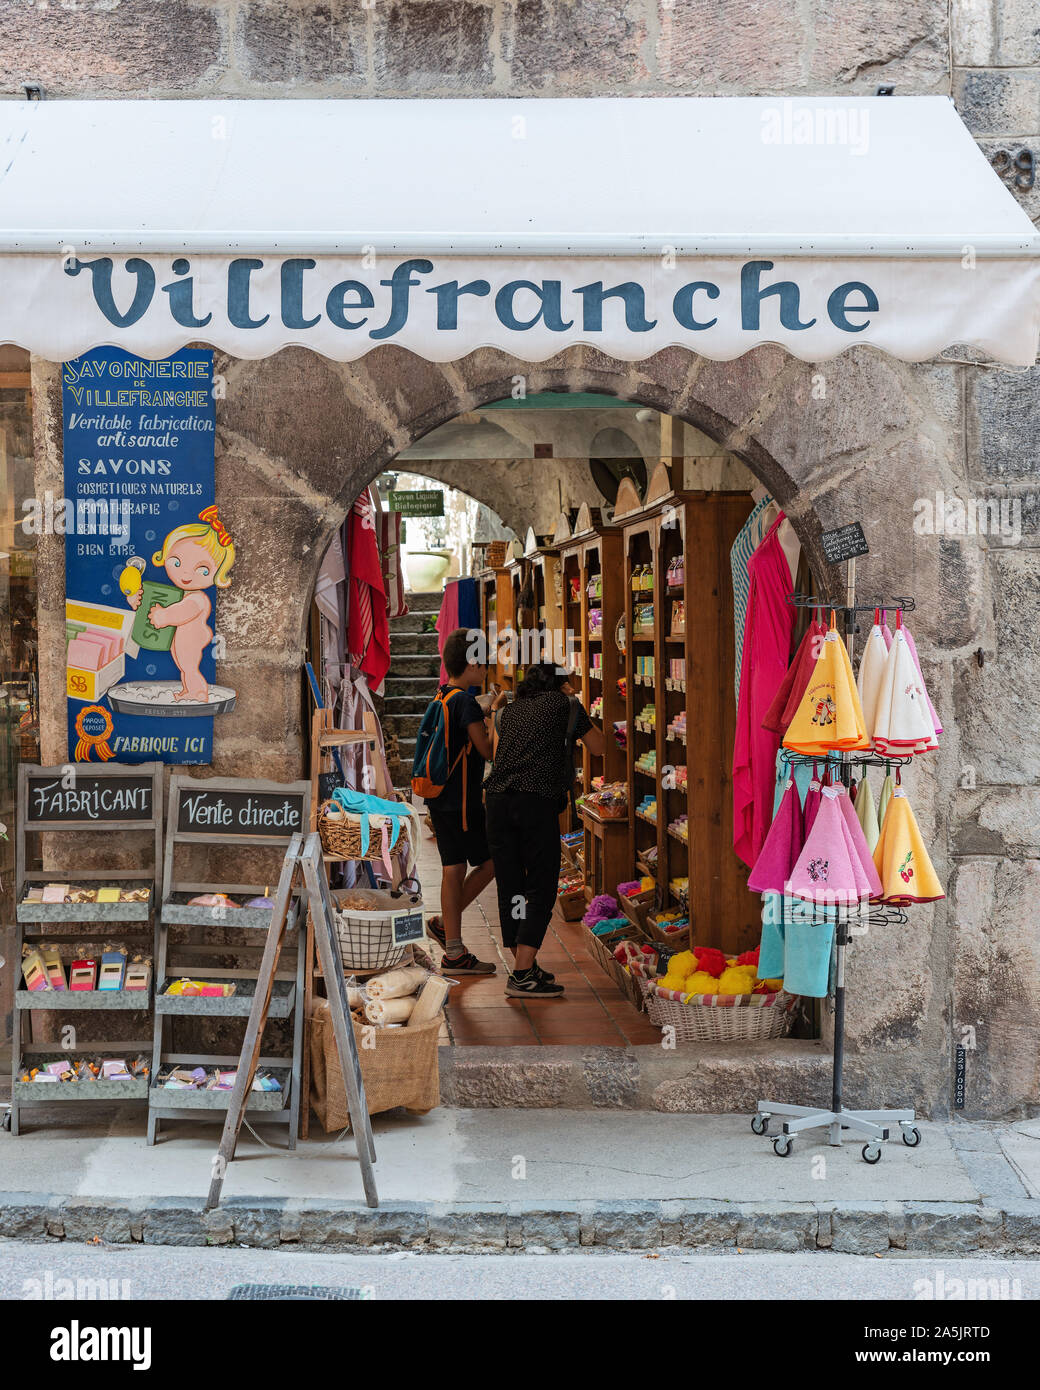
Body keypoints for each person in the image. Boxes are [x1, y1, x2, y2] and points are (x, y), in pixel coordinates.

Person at [484, 663, 605, 998]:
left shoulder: (508, 712)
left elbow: (499, 756)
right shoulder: (566, 705)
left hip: (496, 803)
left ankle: (524, 965)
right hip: (535, 804)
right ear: (561, 685)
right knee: (540, 884)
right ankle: (522, 974)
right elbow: (598, 747)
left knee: (511, 886)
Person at [423, 627, 504, 974]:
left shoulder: (443, 695)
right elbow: (486, 751)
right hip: (463, 802)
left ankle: (450, 937)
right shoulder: (466, 702)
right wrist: (497, 718)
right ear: (471, 664)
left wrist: (483, 713)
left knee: (452, 869)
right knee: (490, 862)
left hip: (440, 797)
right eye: (483, 664)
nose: (485, 670)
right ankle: (450, 942)